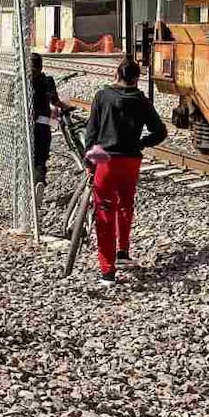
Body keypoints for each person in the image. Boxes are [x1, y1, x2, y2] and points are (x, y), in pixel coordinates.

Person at [83, 56, 167, 286]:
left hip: (106, 160)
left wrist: (89, 161)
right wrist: (142, 143)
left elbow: (91, 133)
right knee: (125, 205)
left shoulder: (102, 96)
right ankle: (123, 252)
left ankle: (107, 270)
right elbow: (160, 131)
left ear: (117, 74)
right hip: (131, 161)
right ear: (136, 79)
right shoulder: (142, 100)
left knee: (104, 212)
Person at [30, 53, 73, 185]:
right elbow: (55, 101)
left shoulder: (22, 81)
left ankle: (31, 180)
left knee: (28, 154)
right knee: (41, 155)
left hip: (25, 124)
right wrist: (68, 106)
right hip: (42, 125)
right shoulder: (47, 81)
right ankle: (39, 180)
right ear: (41, 66)